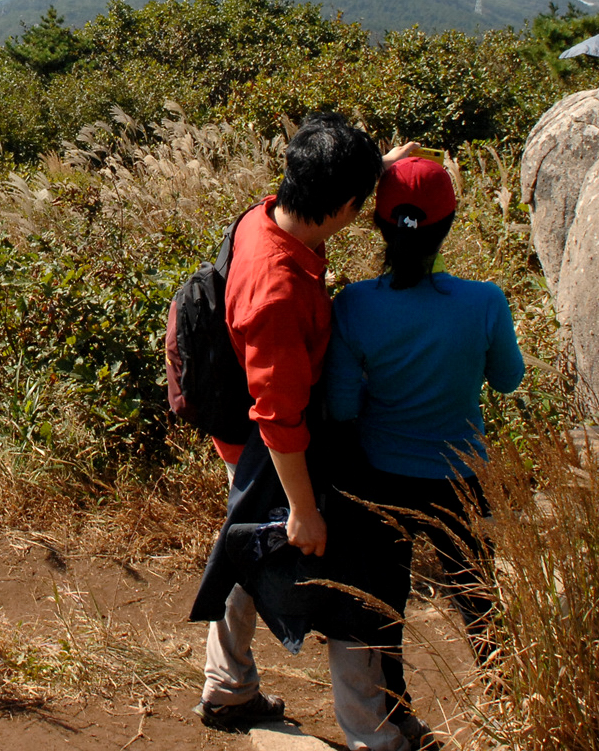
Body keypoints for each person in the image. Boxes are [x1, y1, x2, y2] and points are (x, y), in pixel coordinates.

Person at [188, 113, 416, 735]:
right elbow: (278, 415)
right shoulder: (278, 292)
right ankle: (372, 732)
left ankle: (227, 688)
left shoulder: (270, 215)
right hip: (267, 440)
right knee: (284, 549)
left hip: (249, 426)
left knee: (245, 540)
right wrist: (303, 508)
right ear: (342, 203)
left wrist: (381, 166)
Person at [320, 155, 527, 746]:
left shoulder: (354, 305)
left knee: (384, 603)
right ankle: (512, 696)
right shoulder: (484, 302)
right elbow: (508, 380)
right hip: (459, 476)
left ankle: (396, 715)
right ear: (450, 223)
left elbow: (341, 407)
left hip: (378, 478)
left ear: (379, 224)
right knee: (477, 594)